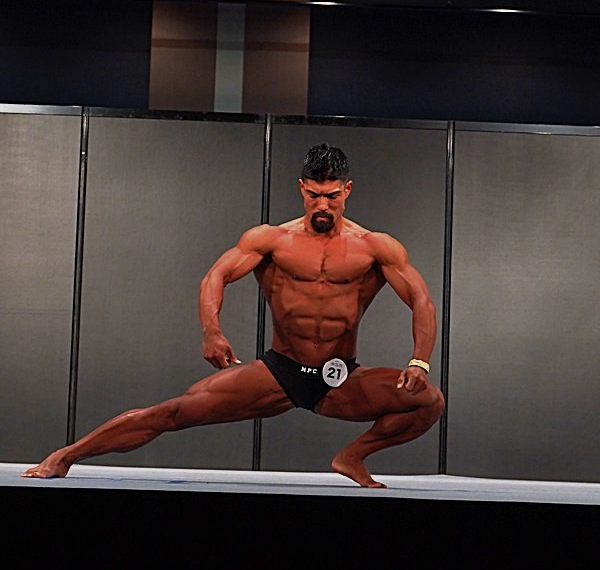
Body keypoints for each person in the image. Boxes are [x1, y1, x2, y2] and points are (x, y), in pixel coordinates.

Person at [22, 143, 444, 488]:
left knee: (428, 402)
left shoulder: (375, 246)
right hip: (279, 371)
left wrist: (419, 362)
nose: (322, 204)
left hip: (340, 377)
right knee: (174, 412)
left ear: (347, 190)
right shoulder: (272, 240)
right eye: (313, 195)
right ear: (301, 188)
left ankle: (352, 456)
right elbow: (217, 275)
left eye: (331, 196)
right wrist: (212, 331)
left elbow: (421, 300)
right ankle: (66, 456)